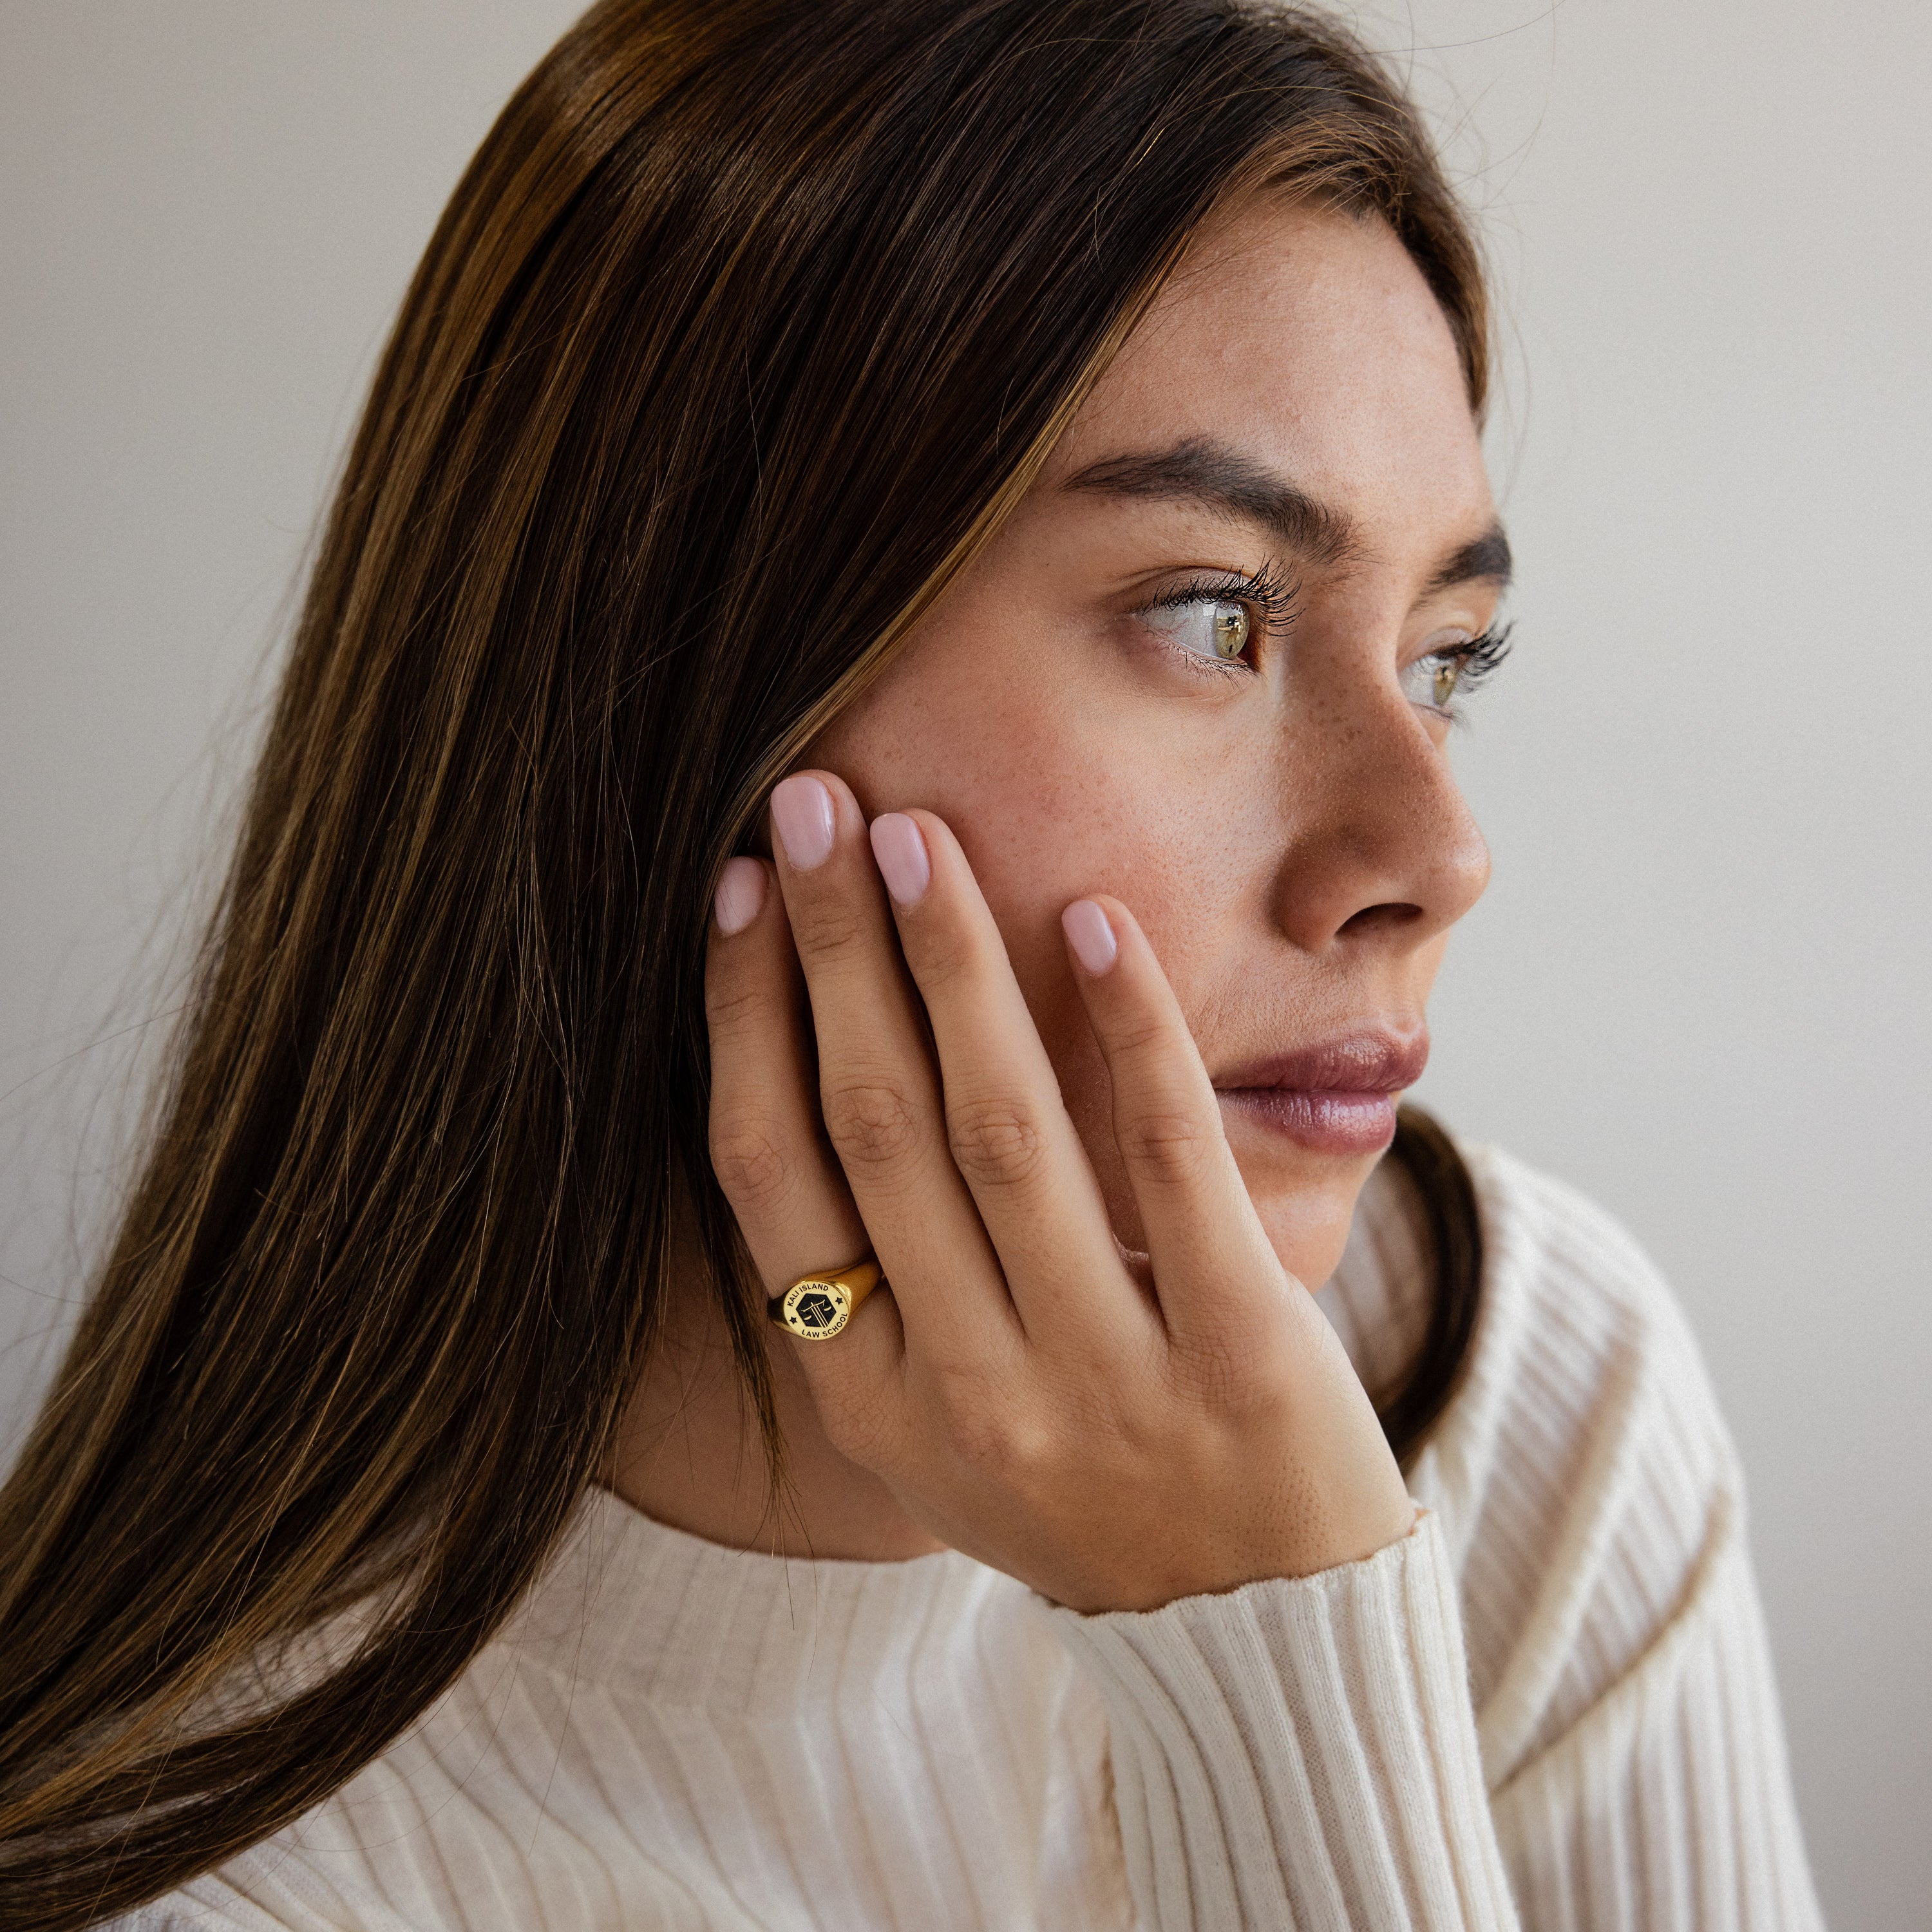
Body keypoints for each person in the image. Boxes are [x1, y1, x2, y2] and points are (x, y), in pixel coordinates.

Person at [0, 1, 1824, 1926]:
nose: (1438, 856)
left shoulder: (1528, 1403)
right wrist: (1268, 1641)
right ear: (679, 681)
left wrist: (1280, 1626)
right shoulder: (216, 1889)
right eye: (1218, 614)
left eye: (1449, 656)